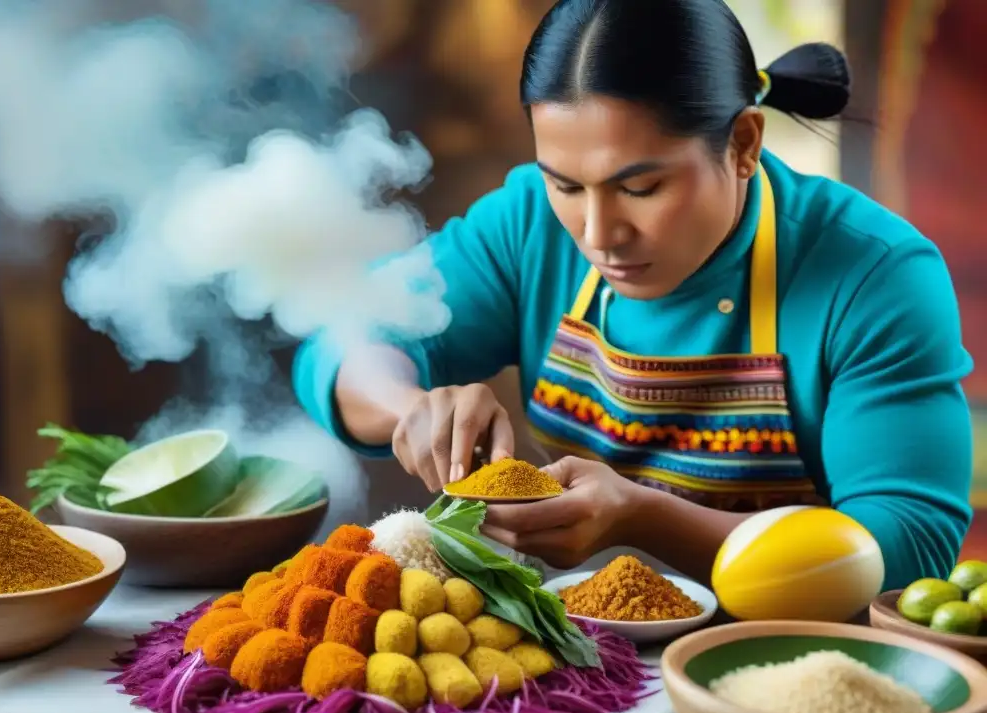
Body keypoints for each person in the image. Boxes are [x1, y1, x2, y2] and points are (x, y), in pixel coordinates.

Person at [294, 0, 973, 590]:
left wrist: (649, 516)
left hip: (775, 666)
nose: (598, 234)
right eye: (566, 184)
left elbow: (905, 549)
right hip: (583, 659)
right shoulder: (528, 224)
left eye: (640, 189)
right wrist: (410, 408)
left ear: (742, 143)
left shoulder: (874, 274)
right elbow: (341, 338)